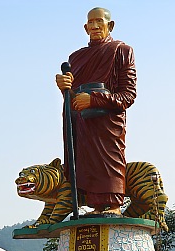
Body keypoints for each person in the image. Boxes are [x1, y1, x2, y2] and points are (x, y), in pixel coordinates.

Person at [56, 7, 137, 215]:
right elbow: (73, 99)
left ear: (110, 25)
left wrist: (94, 99)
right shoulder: (76, 58)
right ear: (85, 27)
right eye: (90, 23)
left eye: (98, 21)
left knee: (109, 161)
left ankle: (114, 205)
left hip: (107, 126)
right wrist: (65, 88)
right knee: (86, 165)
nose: (94, 26)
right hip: (83, 125)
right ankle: (96, 206)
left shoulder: (122, 50)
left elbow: (127, 95)